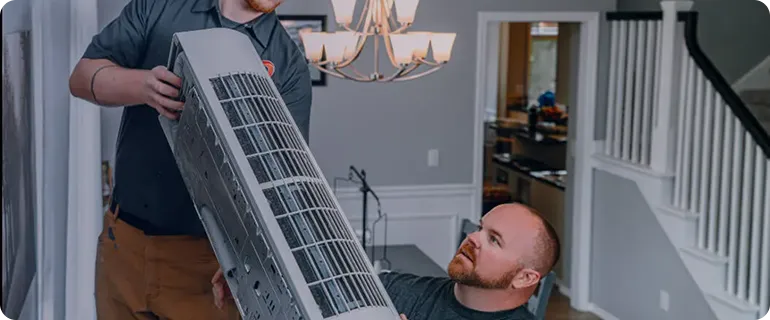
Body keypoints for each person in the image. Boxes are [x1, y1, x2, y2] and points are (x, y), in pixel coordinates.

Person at [68, 0, 311, 319]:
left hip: (208, 266)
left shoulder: (289, 67)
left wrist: (255, 263)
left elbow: (280, 188)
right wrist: (144, 87)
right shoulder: (160, 6)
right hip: (122, 244)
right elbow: (81, 78)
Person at [379, 203, 561, 320]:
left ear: (524, 278)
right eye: (480, 228)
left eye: (494, 239)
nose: (473, 237)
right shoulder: (389, 291)